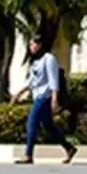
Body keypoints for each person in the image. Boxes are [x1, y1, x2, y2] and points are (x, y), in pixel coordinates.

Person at [13, 34, 78, 165]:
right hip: (37, 95)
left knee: (31, 123)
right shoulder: (35, 61)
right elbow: (32, 82)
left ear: (40, 45)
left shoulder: (49, 59)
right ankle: (69, 148)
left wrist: (55, 99)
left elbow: (54, 80)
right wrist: (19, 93)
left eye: (34, 44)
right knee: (48, 126)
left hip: (45, 97)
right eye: (30, 44)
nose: (31, 47)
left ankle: (28, 155)